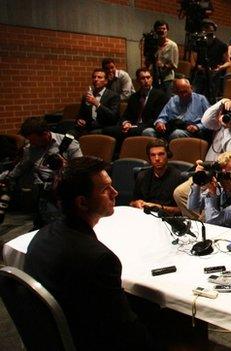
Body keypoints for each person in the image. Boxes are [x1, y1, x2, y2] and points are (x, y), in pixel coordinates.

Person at [23, 157, 153, 350]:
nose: (115, 193)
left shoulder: (41, 236)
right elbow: (127, 332)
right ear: (82, 203)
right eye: (105, 190)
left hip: (52, 336)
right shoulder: (99, 258)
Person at [174, 97, 231, 219]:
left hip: (228, 179)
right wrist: (222, 103)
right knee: (180, 193)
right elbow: (205, 121)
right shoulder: (229, 120)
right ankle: (201, 221)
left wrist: (227, 128)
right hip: (209, 172)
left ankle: (208, 220)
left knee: (206, 212)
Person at [3, 117, 83, 228]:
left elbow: (81, 170)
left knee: (55, 222)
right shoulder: (30, 148)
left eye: (33, 140)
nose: (31, 144)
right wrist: (7, 177)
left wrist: (65, 166)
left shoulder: (68, 144)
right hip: (40, 190)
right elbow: (21, 167)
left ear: (45, 134)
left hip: (62, 188)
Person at [102, 68, 168, 149]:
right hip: (132, 126)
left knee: (138, 131)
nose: (146, 81)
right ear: (137, 80)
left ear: (152, 79)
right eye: (143, 78)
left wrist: (135, 126)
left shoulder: (160, 95)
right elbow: (126, 115)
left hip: (147, 125)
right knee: (107, 130)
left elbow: (157, 118)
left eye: (148, 77)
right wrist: (125, 123)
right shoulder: (134, 97)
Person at [130, 139, 186, 215]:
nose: (157, 158)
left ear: (168, 155)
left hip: (168, 220)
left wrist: (158, 207)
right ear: (149, 157)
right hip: (145, 217)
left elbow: (183, 210)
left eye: (161, 154)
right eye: (153, 155)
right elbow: (132, 202)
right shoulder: (142, 176)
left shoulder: (179, 177)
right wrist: (136, 203)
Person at [143, 78, 210, 140]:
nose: (184, 95)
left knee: (177, 133)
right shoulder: (173, 100)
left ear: (191, 88)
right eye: (180, 92)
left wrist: (197, 127)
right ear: (176, 92)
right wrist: (160, 123)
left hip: (191, 131)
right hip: (171, 127)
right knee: (148, 132)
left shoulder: (201, 99)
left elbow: (210, 120)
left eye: (186, 91)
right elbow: (162, 117)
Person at [189, 20, 230, 103]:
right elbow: (193, 63)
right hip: (199, 75)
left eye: (208, 29)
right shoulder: (197, 43)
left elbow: (228, 62)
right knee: (195, 99)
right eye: (204, 28)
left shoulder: (221, 45)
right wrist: (201, 68)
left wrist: (220, 68)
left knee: (210, 101)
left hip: (213, 77)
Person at [75, 68, 120, 136]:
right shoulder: (87, 96)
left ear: (106, 81)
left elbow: (113, 117)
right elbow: (80, 114)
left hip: (104, 128)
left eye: (99, 77)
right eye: (94, 77)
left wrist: (97, 104)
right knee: (67, 128)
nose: (96, 79)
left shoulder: (113, 96)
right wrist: (80, 120)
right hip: (88, 128)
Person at [149, 20, 179, 96]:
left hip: (166, 79)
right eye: (159, 29)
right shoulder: (152, 44)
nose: (162, 31)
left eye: (164, 29)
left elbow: (175, 65)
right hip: (153, 77)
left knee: (166, 100)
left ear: (167, 30)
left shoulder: (172, 45)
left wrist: (163, 66)